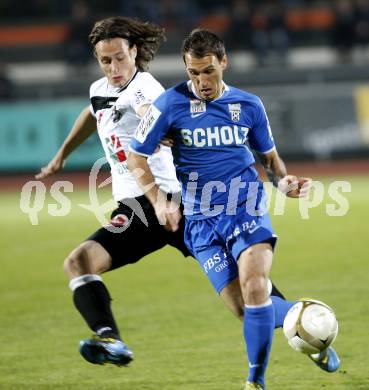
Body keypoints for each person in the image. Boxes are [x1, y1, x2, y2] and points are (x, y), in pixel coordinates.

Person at [35, 15, 287, 369]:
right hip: (157, 208)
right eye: (105, 61)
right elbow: (93, 112)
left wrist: (162, 133)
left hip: (162, 203)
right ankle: (301, 321)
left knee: (246, 302)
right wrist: (61, 155)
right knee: (245, 300)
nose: (114, 67)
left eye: (120, 57)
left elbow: (148, 111)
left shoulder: (148, 91)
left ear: (134, 52)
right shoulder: (101, 89)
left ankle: (302, 323)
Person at [128, 29, 340, 389]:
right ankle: (308, 321)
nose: (201, 81)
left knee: (255, 286)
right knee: (244, 309)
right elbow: (136, 157)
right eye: (193, 73)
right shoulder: (169, 105)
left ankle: (254, 382)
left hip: (245, 206)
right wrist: (159, 200)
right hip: (200, 222)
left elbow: (270, 159)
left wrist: (285, 183)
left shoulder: (249, 105)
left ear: (223, 62)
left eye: (208, 71)